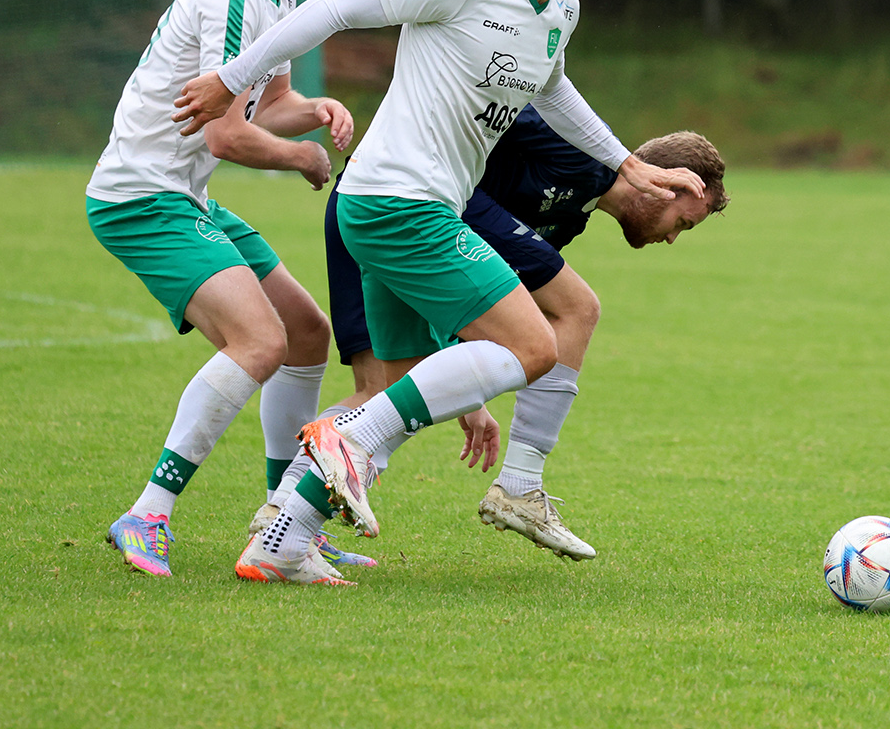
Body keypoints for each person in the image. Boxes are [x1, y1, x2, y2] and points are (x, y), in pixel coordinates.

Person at [172, 0, 704, 584]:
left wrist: (630, 169)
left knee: (400, 383)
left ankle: (281, 542)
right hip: (398, 204)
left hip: (406, 208)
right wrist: (233, 80)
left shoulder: (560, 12)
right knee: (535, 345)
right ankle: (348, 437)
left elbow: (553, 87)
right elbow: (328, 11)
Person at [253, 113, 728, 560]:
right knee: (577, 308)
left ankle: (283, 520)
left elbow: (480, 302)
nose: (672, 238)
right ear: (664, 182)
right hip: (397, 205)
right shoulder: (579, 147)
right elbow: (505, 103)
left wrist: (466, 392)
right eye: (682, 222)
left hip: (384, 201)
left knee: (380, 390)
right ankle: (520, 485)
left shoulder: (572, 215)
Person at [85, 0, 359, 585]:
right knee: (260, 338)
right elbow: (225, 135)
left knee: (306, 331)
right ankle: (148, 512)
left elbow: (265, 104)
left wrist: (314, 113)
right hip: (140, 196)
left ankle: (282, 521)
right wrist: (302, 156)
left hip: (185, 196)